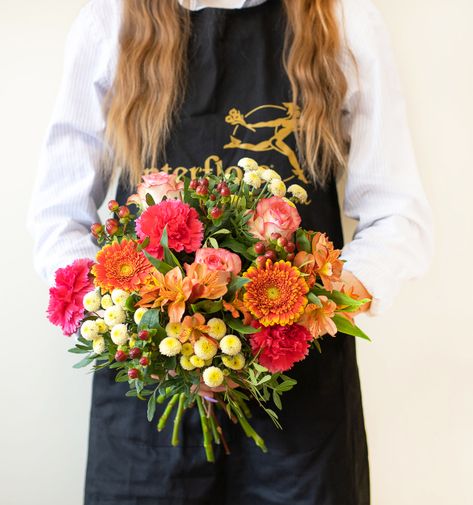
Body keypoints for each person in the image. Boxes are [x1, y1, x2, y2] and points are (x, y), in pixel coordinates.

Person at [26, 0, 434, 503]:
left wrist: (308, 311)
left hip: (299, 392)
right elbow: (59, 215)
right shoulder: (113, 18)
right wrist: (136, 324)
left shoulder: (341, 16)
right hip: (151, 392)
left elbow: (397, 214)